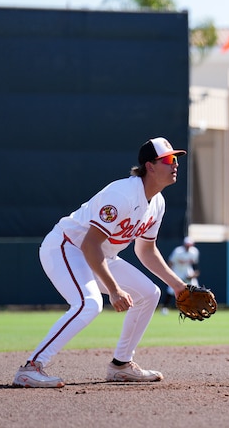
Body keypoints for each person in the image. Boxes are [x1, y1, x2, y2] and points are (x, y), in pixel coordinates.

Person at [13, 137, 192, 387]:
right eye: (168, 160)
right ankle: (31, 367)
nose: (175, 165)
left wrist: (178, 285)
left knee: (149, 294)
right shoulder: (122, 194)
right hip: (66, 247)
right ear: (150, 166)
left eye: (176, 160)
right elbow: (89, 244)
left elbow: (147, 250)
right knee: (89, 303)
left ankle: (121, 365)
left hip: (99, 256)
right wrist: (114, 290)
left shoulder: (157, 203)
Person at [159, 237, 200, 314]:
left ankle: (195, 307)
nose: (188, 247)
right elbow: (171, 262)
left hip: (188, 273)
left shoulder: (194, 252)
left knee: (195, 289)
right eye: (187, 245)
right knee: (171, 290)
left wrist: (194, 274)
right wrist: (169, 273)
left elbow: (195, 265)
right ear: (184, 244)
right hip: (177, 272)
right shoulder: (178, 251)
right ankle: (164, 307)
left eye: (190, 245)